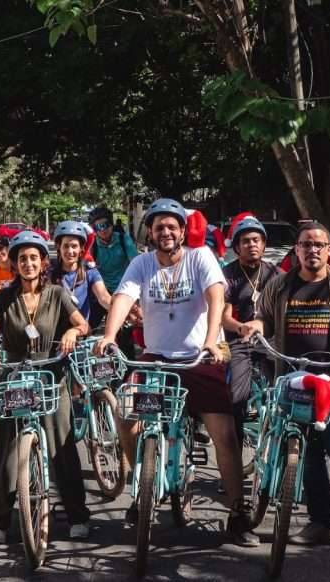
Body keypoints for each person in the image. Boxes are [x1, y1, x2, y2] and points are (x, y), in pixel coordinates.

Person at [94, 197, 259, 547]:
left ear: (183, 231)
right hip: (155, 361)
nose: (165, 231)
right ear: (150, 233)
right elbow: (123, 298)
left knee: (225, 436)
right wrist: (109, 336)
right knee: (126, 415)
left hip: (198, 360)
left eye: (172, 226)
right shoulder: (141, 263)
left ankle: (237, 512)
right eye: (159, 227)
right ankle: (143, 486)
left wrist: (213, 341)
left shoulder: (201, 258)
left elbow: (216, 297)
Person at [242, 222, 330, 553]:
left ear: (329, 250)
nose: (313, 250)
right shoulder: (279, 285)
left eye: (319, 244)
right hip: (294, 385)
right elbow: (264, 318)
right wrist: (255, 326)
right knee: (308, 458)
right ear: (297, 250)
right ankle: (320, 523)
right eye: (306, 244)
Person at [0, 231, 92, 543]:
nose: (28, 263)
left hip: (51, 375)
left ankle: (77, 515)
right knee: (7, 450)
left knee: (63, 446)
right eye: (21, 258)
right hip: (14, 375)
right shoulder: (4, 297)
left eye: (34, 258)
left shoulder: (57, 293)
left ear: (43, 262)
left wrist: (73, 333)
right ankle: (0, 520)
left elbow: (82, 324)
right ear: (14, 264)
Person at [220, 217, 280, 447]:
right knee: (236, 398)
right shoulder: (229, 274)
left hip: (271, 340)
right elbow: (224, 317)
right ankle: (234, 452)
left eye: (256, 240)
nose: (251, 245)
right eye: (245, 241)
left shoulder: (276, 273)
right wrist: (241, 327)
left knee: (284, 394)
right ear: (236, 247)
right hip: (240, 341)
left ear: (264, 244)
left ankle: (279, 448)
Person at [50, 221, 111, 324]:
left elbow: (104, 297)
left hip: (82, 333)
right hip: (53, 336)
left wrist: (126, 312)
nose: (70, 251)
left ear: (81, 248)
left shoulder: (90, 271)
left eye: (74, 246)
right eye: (66, 246)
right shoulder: (49, 272)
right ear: (58, 247)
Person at [88, 206, 137, 294]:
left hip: (126, 288)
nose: (103, 230)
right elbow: (87, 269)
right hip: (103, 291)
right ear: (94, 230)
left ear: (111, 224)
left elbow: (136, 264)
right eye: (98, 227)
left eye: (105, 225)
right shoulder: (92, 244)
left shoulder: (124, 239)